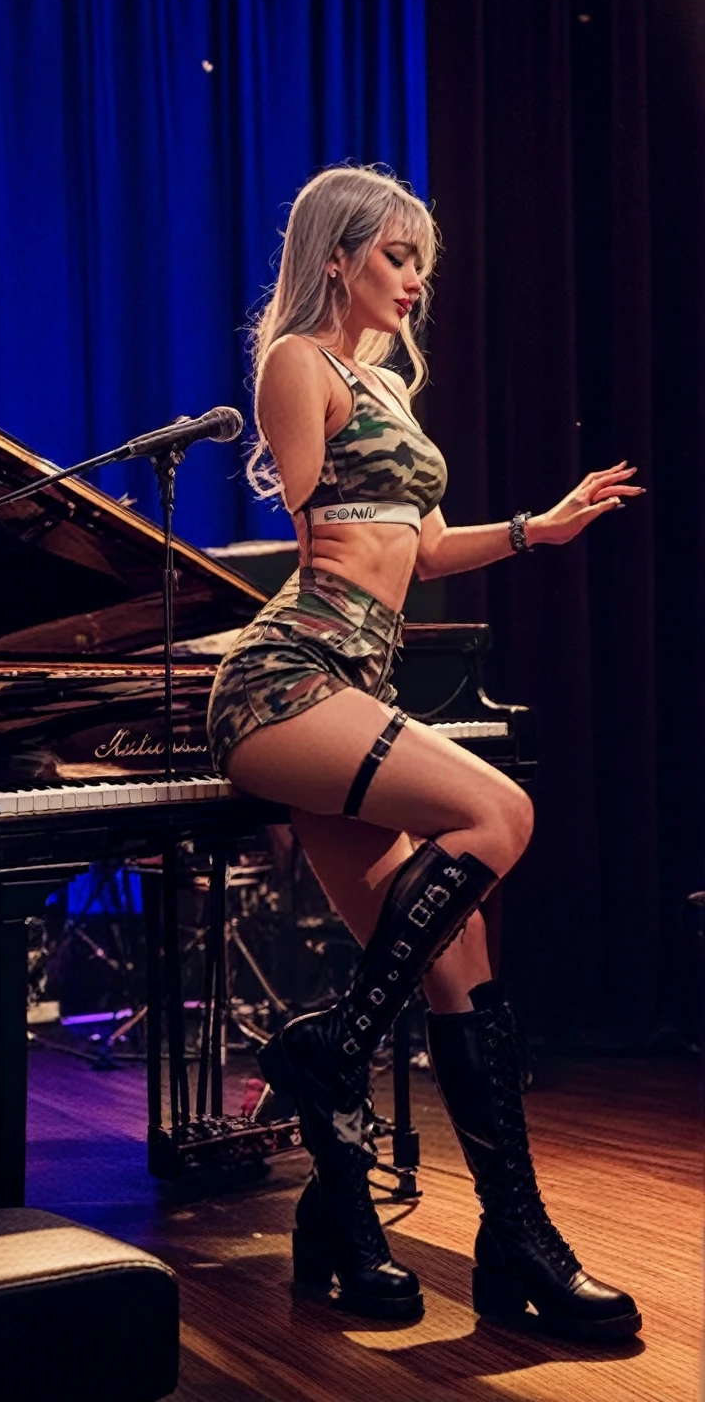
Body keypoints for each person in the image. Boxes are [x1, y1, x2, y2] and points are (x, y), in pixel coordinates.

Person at [207, 164, 643, 1339]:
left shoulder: (390, 388)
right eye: (397, 258)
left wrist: (534, 529)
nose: (415, 282)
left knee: (461, 955)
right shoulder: (298, 360)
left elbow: (424, 544)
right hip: (287, 680)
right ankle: (337, 1052)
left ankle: (507, 1240)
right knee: (499, 818)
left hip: (358, 684)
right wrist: (380, 525)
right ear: (340, 254)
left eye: (423, 265)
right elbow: (316, 517)